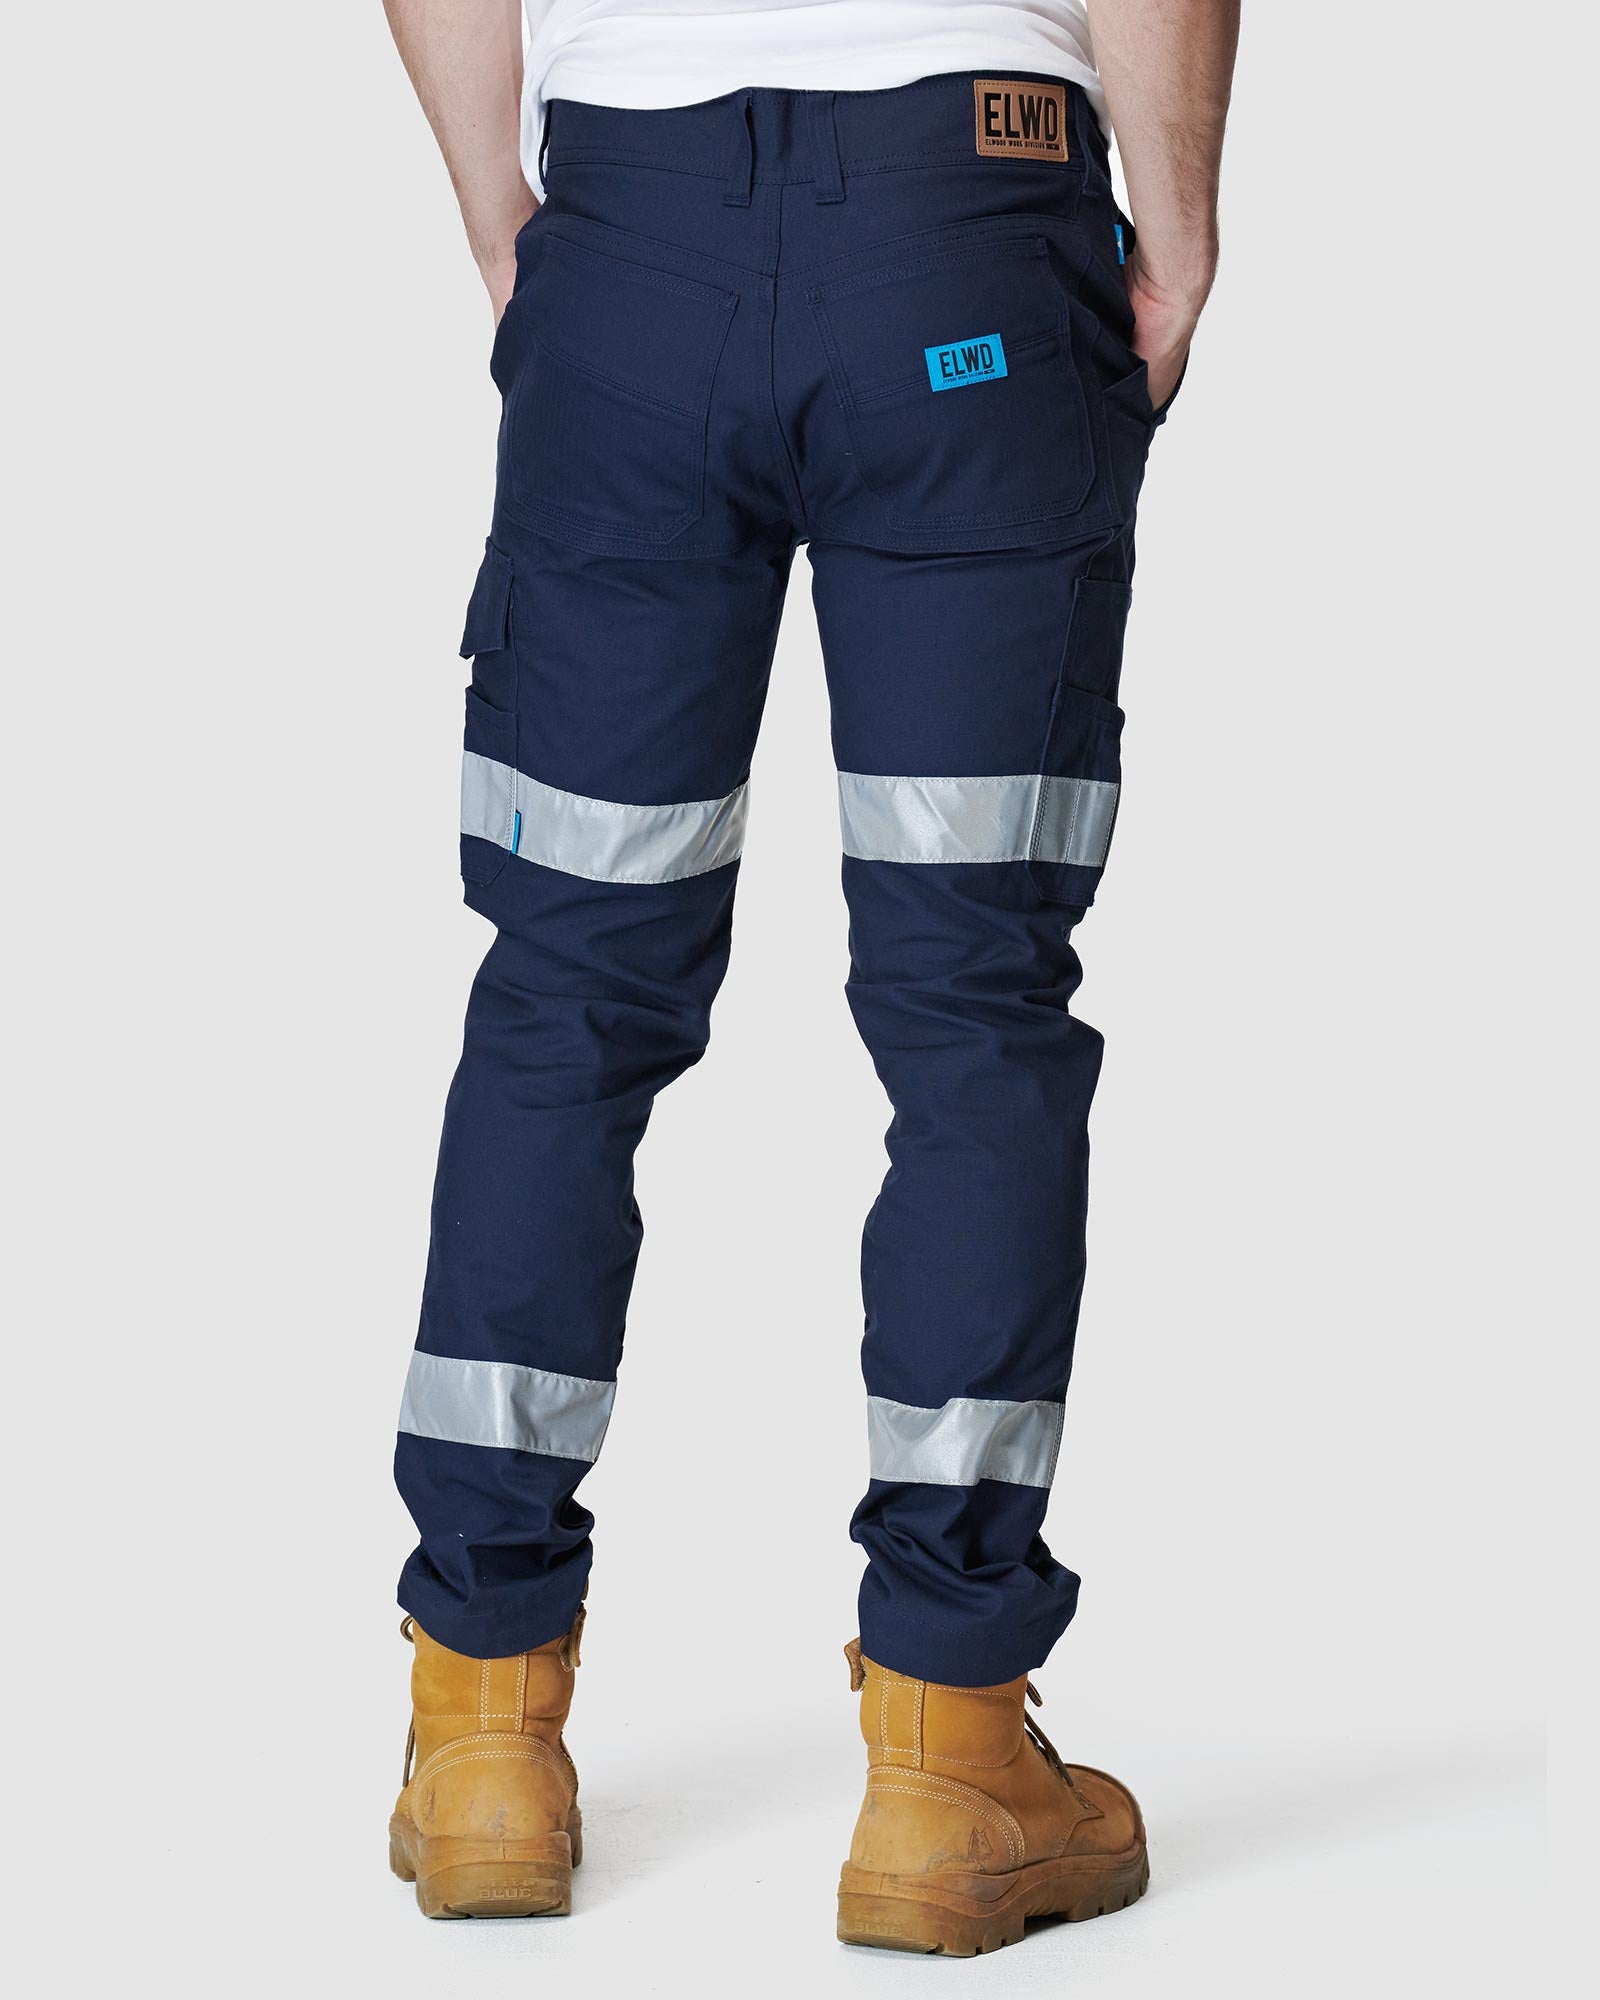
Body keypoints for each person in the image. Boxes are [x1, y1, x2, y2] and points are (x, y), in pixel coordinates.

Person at [381, 0, 1237, 1952]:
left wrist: (517, 227)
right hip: (966, 230)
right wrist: (1177, 233)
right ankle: (949, 1754)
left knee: (566, 991)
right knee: (970, 1004)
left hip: (628, 237)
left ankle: (482, 1724)